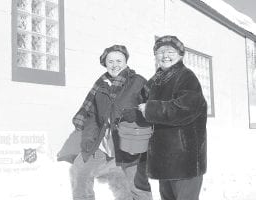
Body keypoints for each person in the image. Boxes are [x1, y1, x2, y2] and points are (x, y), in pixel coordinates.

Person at [123, 35, 207, 200]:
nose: (165, 55)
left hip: (184, 159)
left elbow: (185, 109)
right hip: (164, 159)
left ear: (181, 55)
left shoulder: (187, 77)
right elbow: (141, 102)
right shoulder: (156, 80)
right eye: (160, 52)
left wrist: (150, 109)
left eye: (170, 51)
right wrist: (132, 113)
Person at [69, 45, 153, 200]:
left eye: (119, 61)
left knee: (138, 187)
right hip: (102, 142)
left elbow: (156, 105)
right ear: (105, 63)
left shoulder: (138, 82)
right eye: (111, 61)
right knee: (79, 170)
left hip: (130, 143)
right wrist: (88, 139)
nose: (115, 65)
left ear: (126, 62)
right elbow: (92, 115)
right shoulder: (101, 85)